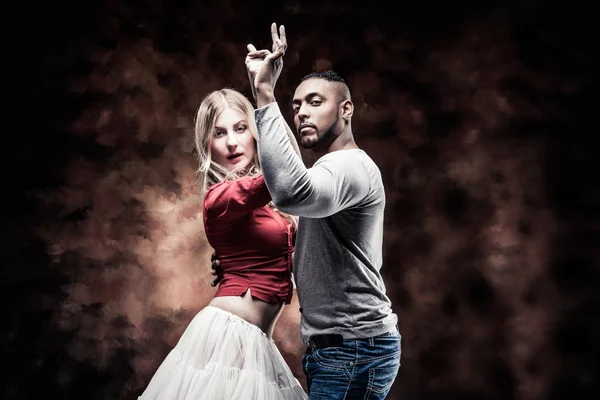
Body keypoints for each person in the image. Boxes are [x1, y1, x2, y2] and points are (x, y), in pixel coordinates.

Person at [244, 23, 402, 399]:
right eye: (295, 105)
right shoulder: (329, 171)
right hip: (338, 349)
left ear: (346, 109)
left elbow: (290, 191)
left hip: (354, 350)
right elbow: (297, 179)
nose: (301, 113)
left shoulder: (351, 168)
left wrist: (265, 94)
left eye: (316, 102)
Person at [138, 88, 307, 400]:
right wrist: (265, 91)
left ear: (255, 134)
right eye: (220, 133)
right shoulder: (220, 198)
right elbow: (287, 171)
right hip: (228, 338)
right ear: (208, 145)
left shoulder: (268, 208)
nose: (232, 142)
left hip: (256, 342)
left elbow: (291, 184)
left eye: (241, 128)